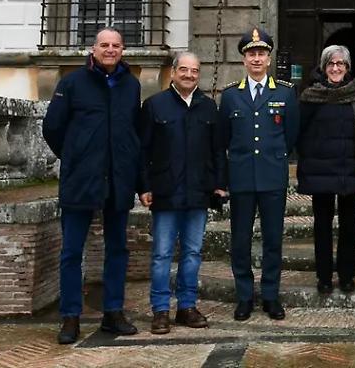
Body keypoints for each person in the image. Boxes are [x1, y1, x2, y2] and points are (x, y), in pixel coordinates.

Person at [42, 26, 143, 345]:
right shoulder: (72, 83)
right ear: (93, 49)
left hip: (118, 179)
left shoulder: (132, 85)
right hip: (80, 180)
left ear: (123, 50)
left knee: (118, 249)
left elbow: (134, 134)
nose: (110, 50)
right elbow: (52, 128)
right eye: (105, 45)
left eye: (116, 45)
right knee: (72, 251)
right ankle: (70, 316)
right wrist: (74, 157)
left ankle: (113, 312)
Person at [138, 51, 226, 334]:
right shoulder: (154, 106)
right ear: (173, 72)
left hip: (198, 192)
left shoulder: (209, 107)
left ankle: (186, 307)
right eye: (184, 70)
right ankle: (161, 310)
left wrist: (220, 183)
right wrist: (144, 186)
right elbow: (143, 151)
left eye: (194, 71)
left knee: (192, 253)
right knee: (162, 254)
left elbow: (217, 151)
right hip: (165, 192)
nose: (189, 75)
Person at [219, 27, 299, 321]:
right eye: (251, 53)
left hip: (272, 177)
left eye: (261, 53)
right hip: (240, 179)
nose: (256, 58)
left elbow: (291, 137)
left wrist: (273, 157)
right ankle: (244, 297)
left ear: (268, 58)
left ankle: (270, 296)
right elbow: (223, 139)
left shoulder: (286, 94)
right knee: (240, 240)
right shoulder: (229, 96)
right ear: (244, 59)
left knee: (273, 240)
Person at [297, 45, 355, 295]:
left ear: (347, 68)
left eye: (341, 64)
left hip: (350, 169)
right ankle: (324, 277)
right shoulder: (310, 96)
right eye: (331, 64)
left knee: (349, 227)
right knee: (322, 227)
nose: (336, 68)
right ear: (323, 67)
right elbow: (300, 132)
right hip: (320, 170)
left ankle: (347, 277)